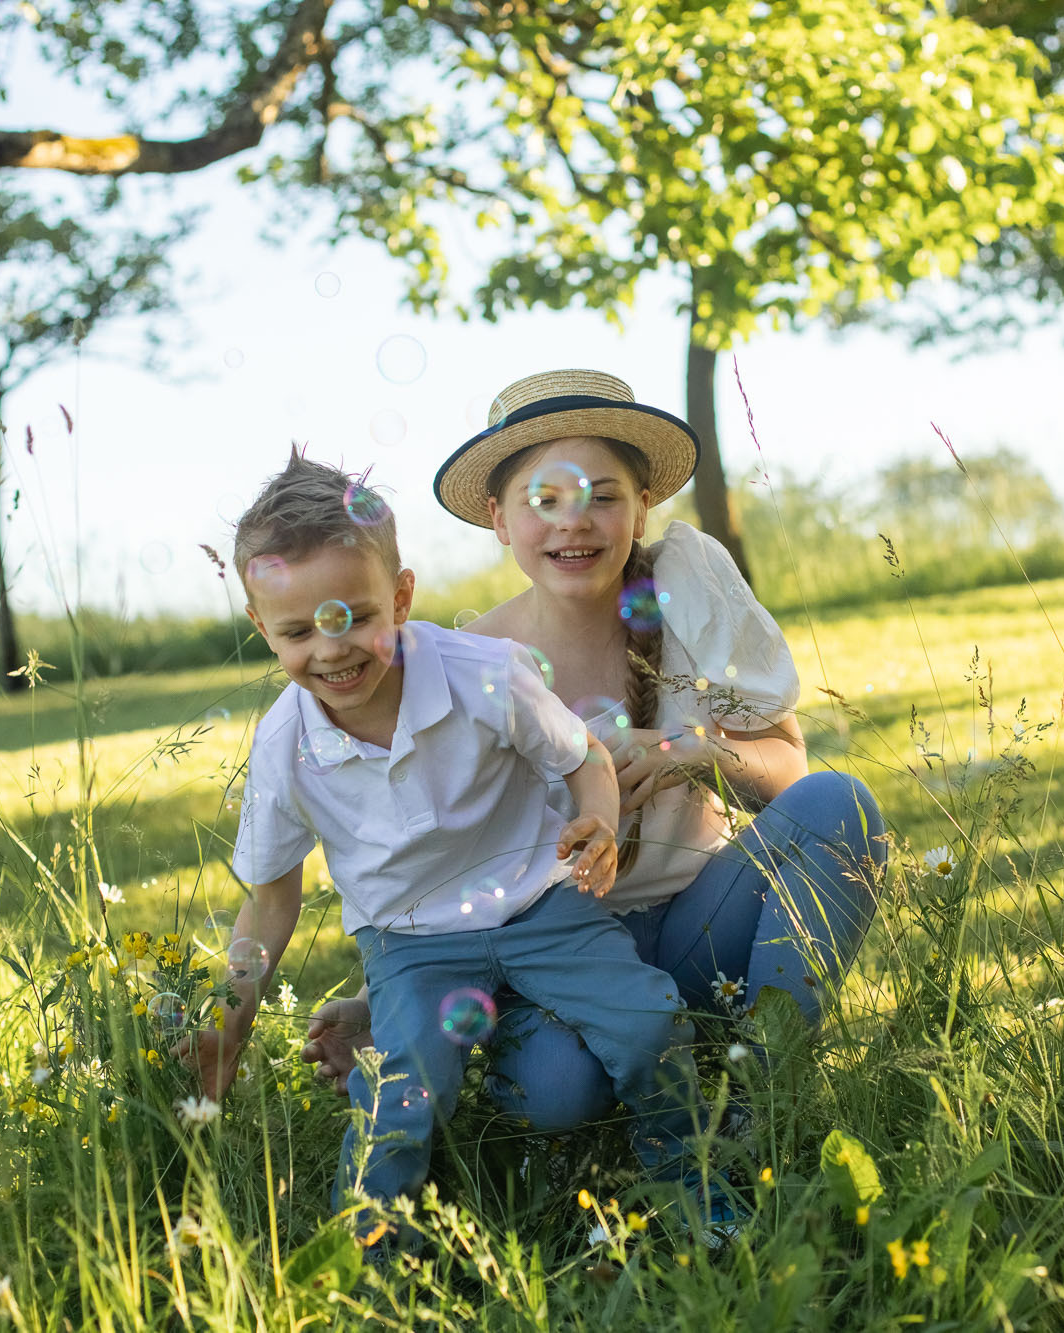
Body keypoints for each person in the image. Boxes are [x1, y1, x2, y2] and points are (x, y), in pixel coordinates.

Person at [303, 369, 884, 1131]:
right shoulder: (470, 662)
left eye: (603, 496)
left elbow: (790, 775)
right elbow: (436, 862)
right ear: (499, 519)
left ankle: (760, 1102)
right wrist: (380, 998)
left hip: (702, 926)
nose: (574, 522)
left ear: (642, 505)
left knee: (841, 803)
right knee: (555, 1100)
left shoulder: (684, 586)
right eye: (543, 502)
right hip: (560, 956)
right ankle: (588, 1064)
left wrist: (691, 749)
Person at [184, 450, 696, 1216]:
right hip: (411, 942)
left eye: (355, 617)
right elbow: (271, 895)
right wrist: (231, 1019)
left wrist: (597, 816)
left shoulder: (484, 674)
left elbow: (582, 753)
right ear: (261, 626)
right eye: (297, 631)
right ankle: (373, 1249)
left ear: (400, 594)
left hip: (540, 907)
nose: (331, 648)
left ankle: (697, 1180)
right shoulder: (284, 743)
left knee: (649, 1021)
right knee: (404, 1086)